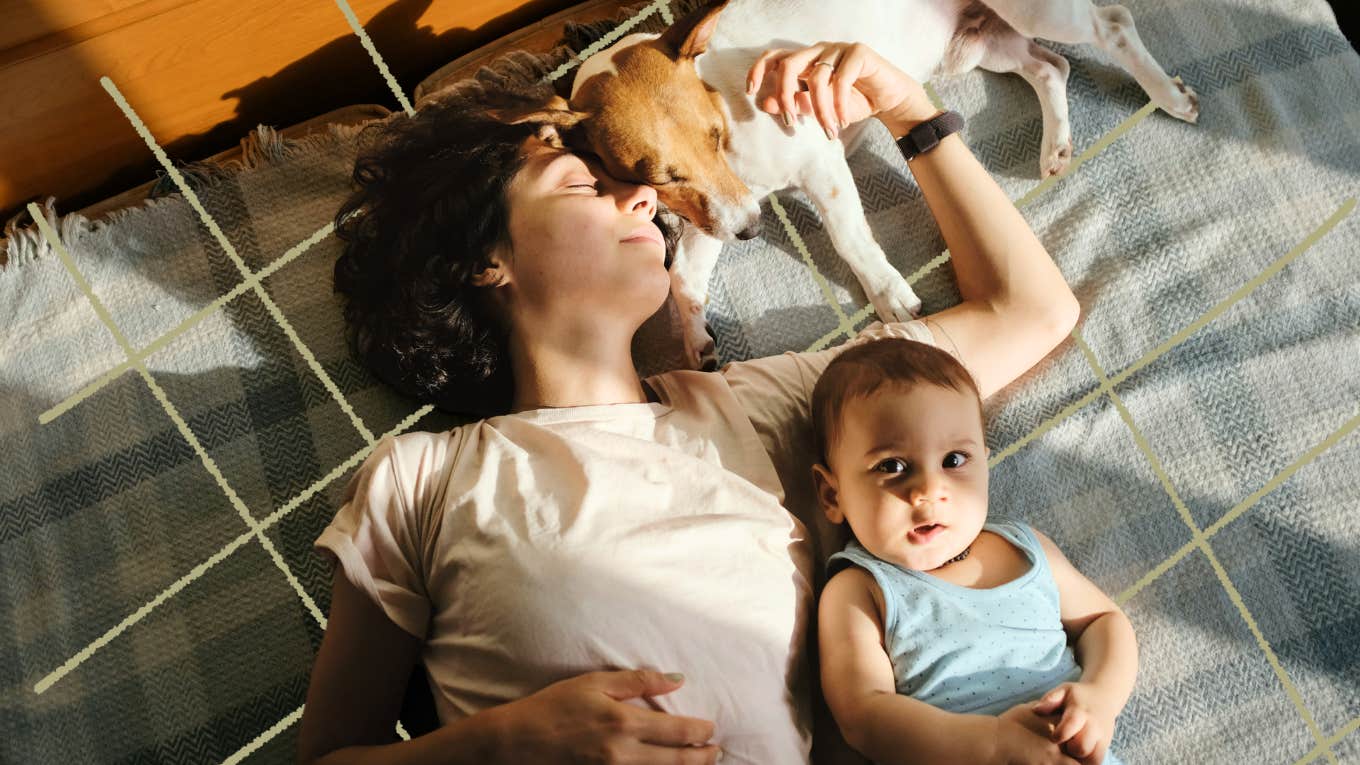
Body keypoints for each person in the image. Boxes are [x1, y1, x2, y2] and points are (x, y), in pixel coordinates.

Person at [295, 38, 1082, 765]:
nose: (645, 200)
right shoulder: (422, 478)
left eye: (639, 186)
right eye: (583, 185)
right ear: (484, 262)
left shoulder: (764, 406)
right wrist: (501, 743)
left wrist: (906, 108)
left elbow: (1031, 310)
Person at [808, 337, 1138, 765]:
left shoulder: (1025, 548)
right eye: (892, 466)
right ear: (832, 495)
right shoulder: (861, 590)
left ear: (984, 461)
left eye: (954, 460)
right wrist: (993, 744)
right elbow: (863, 714)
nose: (929, 490)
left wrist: (1099, 698)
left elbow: (1104, 620)